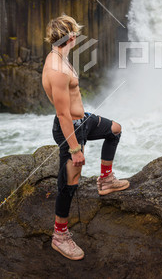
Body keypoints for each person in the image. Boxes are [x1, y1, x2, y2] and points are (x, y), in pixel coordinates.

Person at [42, 14, 129, 261]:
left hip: (83, 120)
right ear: (70, 37)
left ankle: (106, 180)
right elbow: (62, 113)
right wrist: (74, 149)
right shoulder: (57, 69)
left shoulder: (59, 55)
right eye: (75, 34)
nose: (77, 37)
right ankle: (60, 237)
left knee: (115, 130)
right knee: (69, 184)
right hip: (70, 129)